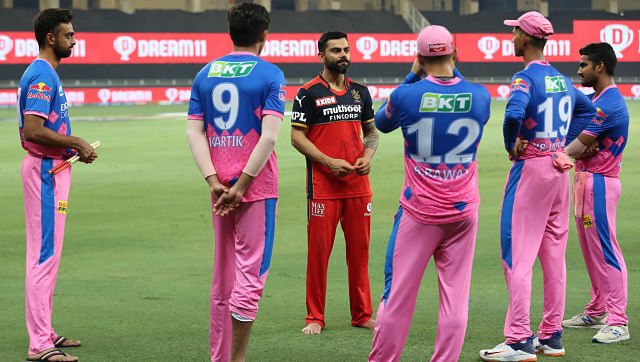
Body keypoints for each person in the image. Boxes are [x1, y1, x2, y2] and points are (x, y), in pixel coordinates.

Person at [367, 25, 490, 362]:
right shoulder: (481, 96)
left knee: (399, 297)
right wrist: (449, 65)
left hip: (420, 211)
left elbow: (381, 122)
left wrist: (412, 75)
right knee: (455, 297)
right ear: (455, 53)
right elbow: (459, 86)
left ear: (419, 57)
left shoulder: (407, 96)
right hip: (464, 211)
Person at [480, 11, 597, 361]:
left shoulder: (524, 78)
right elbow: (589, 112)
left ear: (527, 38)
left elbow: (514, 114)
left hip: (530, 170)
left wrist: (511, 143)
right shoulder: (562, 79)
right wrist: (564, 143)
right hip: (559, 171)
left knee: (517, 256)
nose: (512, 37)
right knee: (554, 257)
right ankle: (552, 336)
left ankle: (518, 340)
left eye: (515, 31)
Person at [186, 3, 285, 361]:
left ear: (230, 32)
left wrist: (213, 180)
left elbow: (194, 132)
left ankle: (220, 357)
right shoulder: (270, 75)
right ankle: (237, 359)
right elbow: (270, 137)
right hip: (255, 189)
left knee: (223, 277)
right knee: (251, 276)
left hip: (219, 188)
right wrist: (242, 186)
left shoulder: (205, 73)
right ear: (264, 34)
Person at [19, 8, 98, 362]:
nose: (74, 39)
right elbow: (33, 129)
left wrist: (71, 148)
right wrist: (76, 141)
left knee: (49, 255)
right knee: (43, 256)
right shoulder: (41, 75)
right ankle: (39, 345)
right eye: (68, 35)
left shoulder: (48, 73)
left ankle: (45, 331)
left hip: (54, 169)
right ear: (51, 38)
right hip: (45, 174)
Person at [290, 31, 379, 335]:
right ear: (321, 55)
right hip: (323, 189)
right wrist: (327, 162)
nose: (343, 55)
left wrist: (368, 155)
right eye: (336, 50)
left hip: (358, 185)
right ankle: (315, 317)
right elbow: (296, 136)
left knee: (360, 254)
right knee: (318, 256)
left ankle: (362, 314)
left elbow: (371, 133)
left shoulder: (361, 93)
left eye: (346, 50)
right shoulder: (308, 92)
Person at [562, 42, 630, 344]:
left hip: (600, 185)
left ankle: (618, 321)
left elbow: (574, 147)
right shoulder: (596, 100)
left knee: (606, 250)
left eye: (584, 65)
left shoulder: (609, 105)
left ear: (599, 67)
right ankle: (598, 309)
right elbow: (574, 140)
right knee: (592, 252)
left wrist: (558, 152)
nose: (579, 70)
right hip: (585, 183)